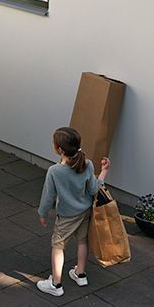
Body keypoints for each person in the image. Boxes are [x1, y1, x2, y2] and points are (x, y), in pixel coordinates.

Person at [36, 127, 110, 297]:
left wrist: (42, 213)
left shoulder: (54, 171)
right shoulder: (88, 164)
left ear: (60, 149)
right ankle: (80, 274)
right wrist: (104, 172)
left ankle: (56, 284)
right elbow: (93, 190)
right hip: (85, 212)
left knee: (58, 245)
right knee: (83, 241)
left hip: (66, 216)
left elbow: (48, 196)